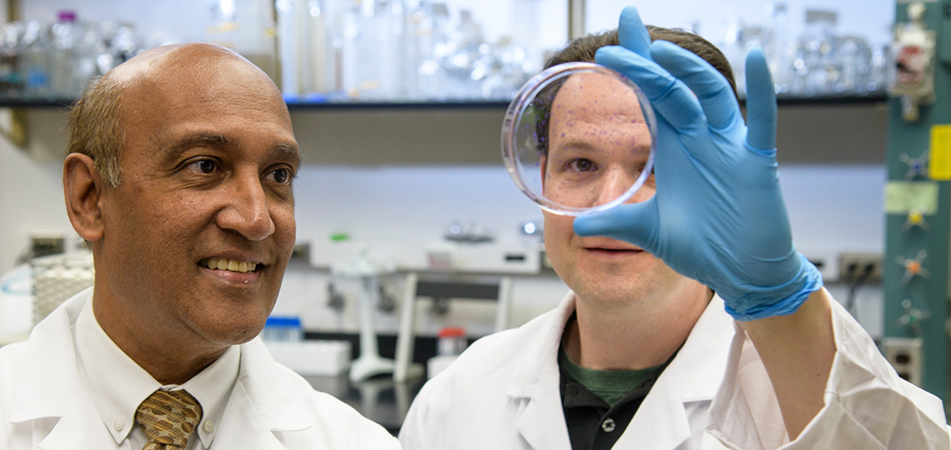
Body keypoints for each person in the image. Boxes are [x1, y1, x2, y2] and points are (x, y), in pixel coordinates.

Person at [400, 8, 949, 450]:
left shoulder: (801, 388)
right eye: (581, 165)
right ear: (542, 180)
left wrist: (779, 300)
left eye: (656, 166)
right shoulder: (458, 398)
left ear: (722, 186)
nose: (611, 202)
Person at [0, 43, 401, 450]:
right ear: (89, 199)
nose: (258, 219)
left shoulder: (357, 443)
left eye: (278, 175)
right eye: (204, 166)